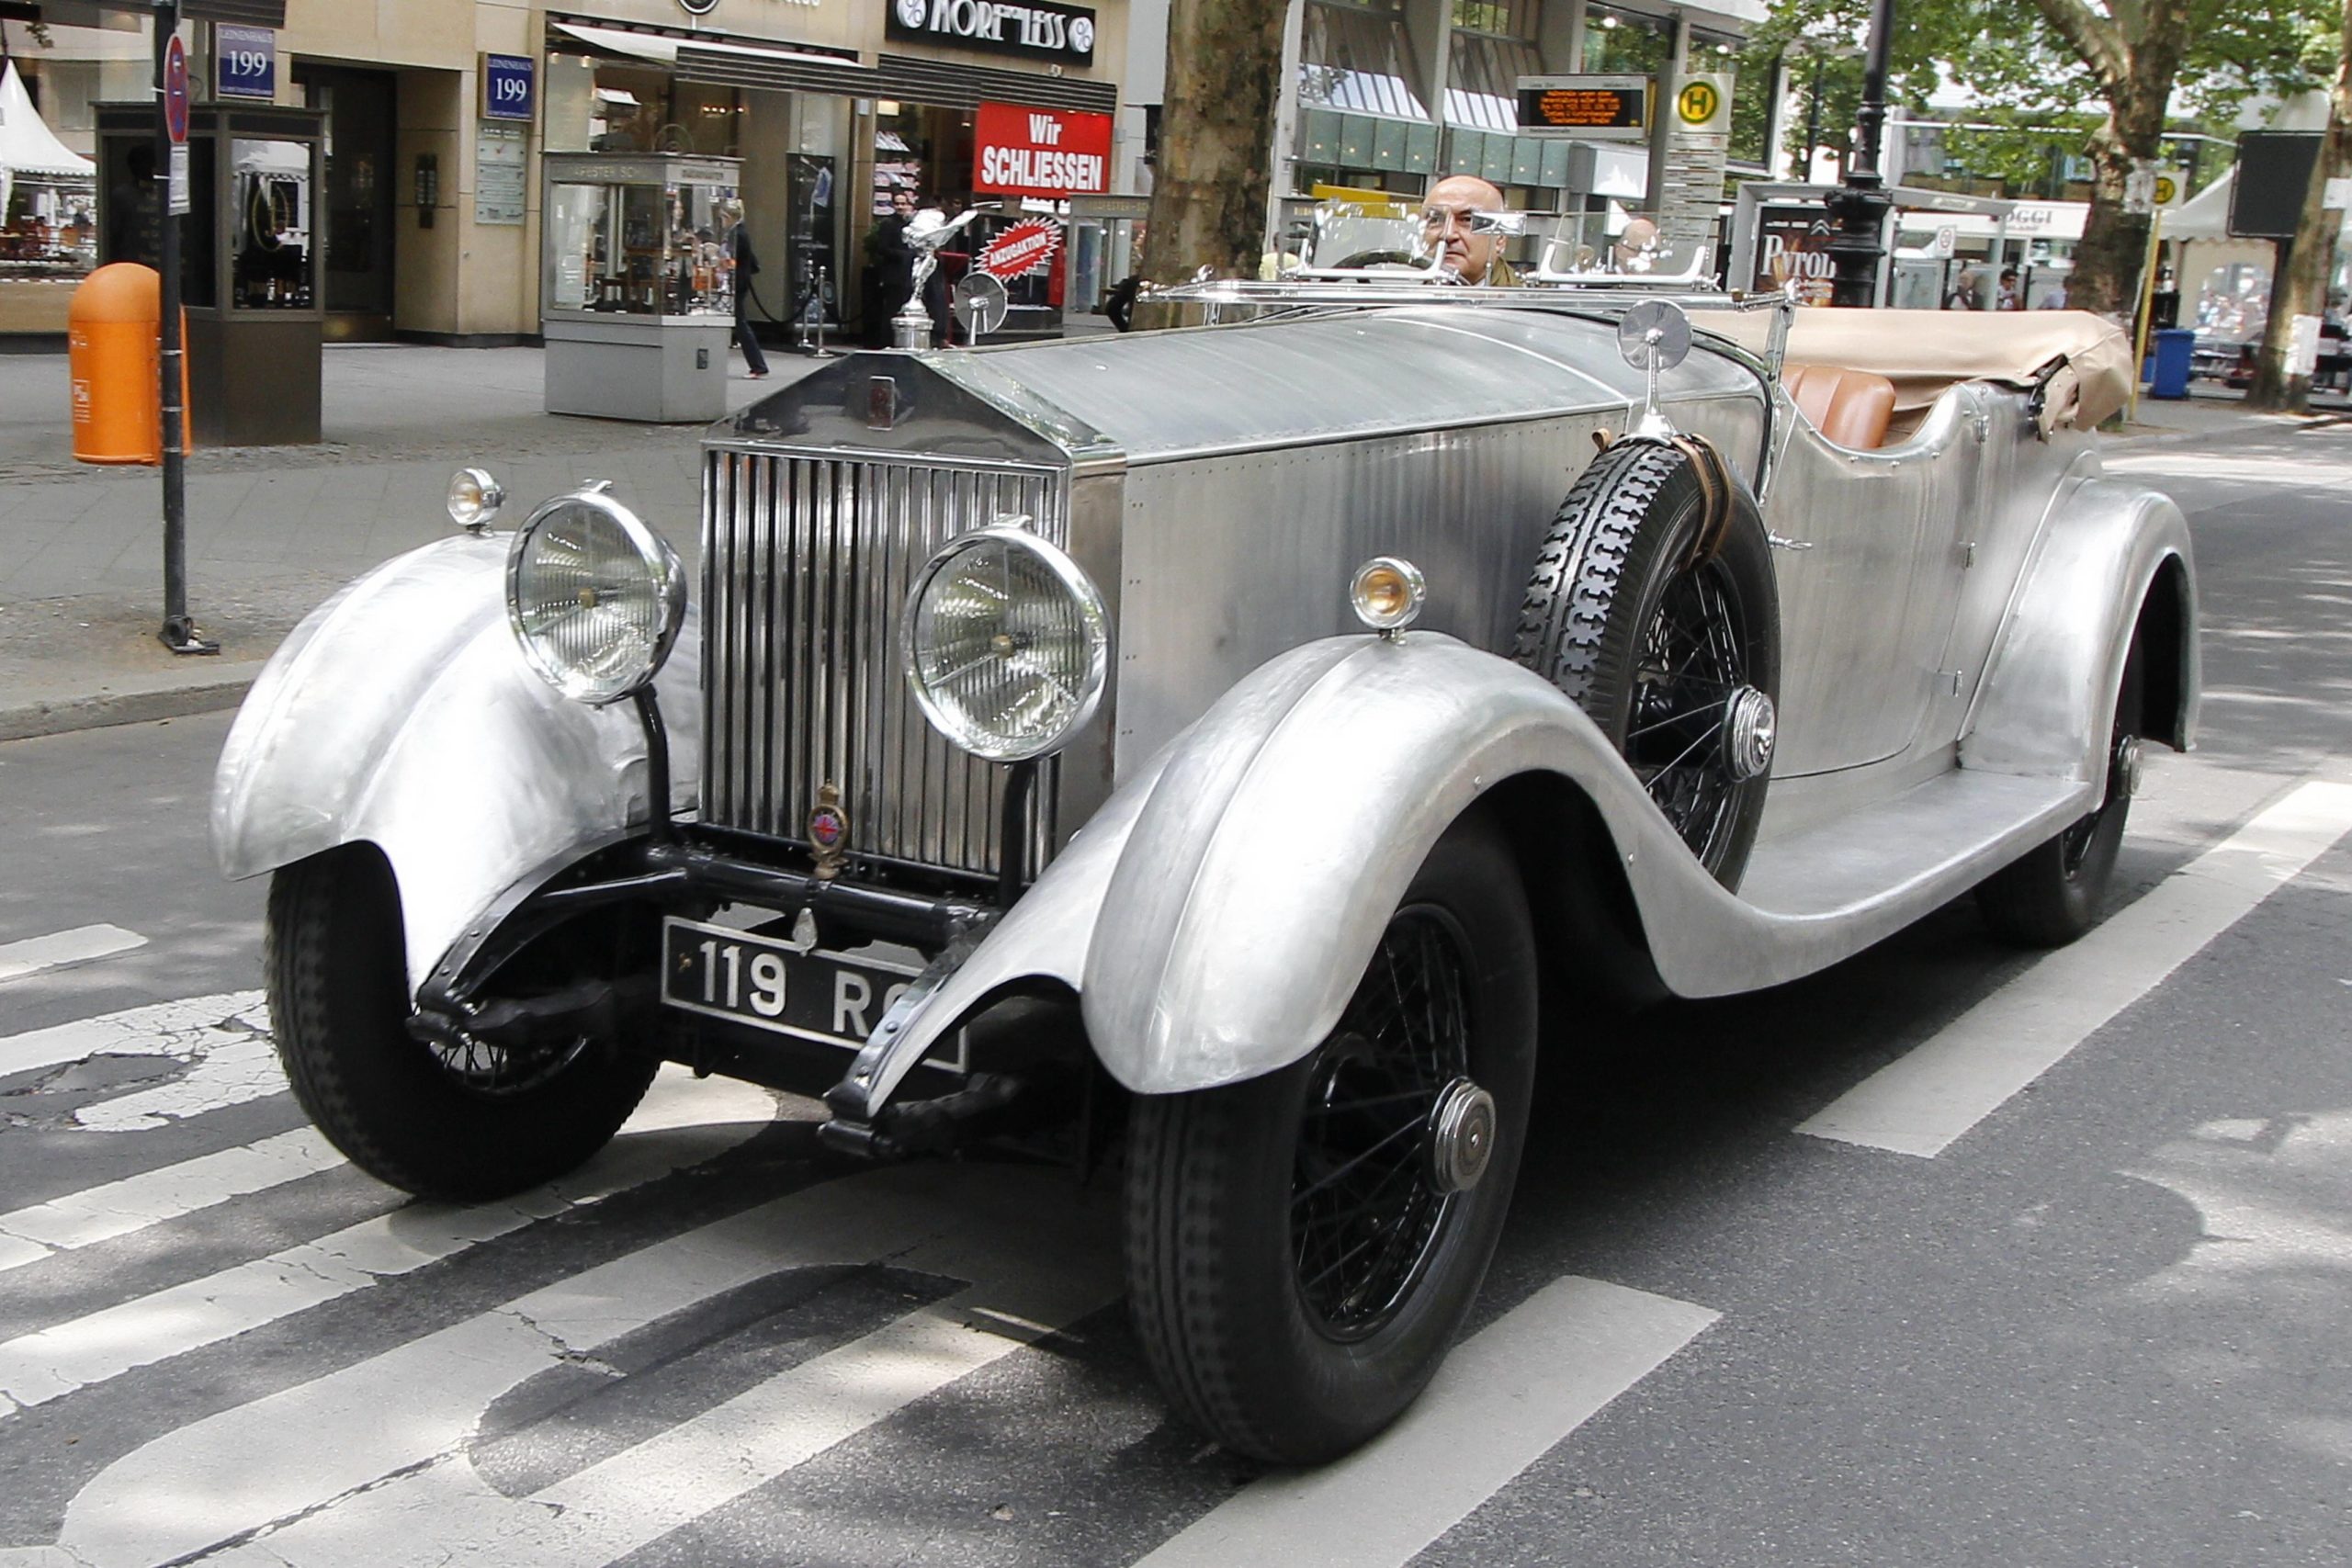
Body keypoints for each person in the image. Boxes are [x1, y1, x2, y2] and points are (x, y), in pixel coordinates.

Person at [1419, 175, 1520, 286]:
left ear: (1500, 239)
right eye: (1435, 219)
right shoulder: (1408, 296)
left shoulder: (1523, 301)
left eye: (1467, 220)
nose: (1447, 234)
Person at [864, 186, 918, 347]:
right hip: (893, 274)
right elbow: (882, 248)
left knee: (902, 308)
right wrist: (903, 255)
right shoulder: (888, 224)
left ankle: (899, 342)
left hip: (907, 273)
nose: (900, 207)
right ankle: (886, 342)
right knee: (891, 310)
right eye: (897, 204)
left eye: (903, 204)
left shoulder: (910, 224)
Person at [725, 205, 769, 378]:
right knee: (740, 322)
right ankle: (757, 365)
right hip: (742, 279)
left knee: (741, 323)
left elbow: (733, 257)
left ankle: (757, 365)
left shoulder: (737, 234)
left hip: (739, 280)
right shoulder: (741, 232)